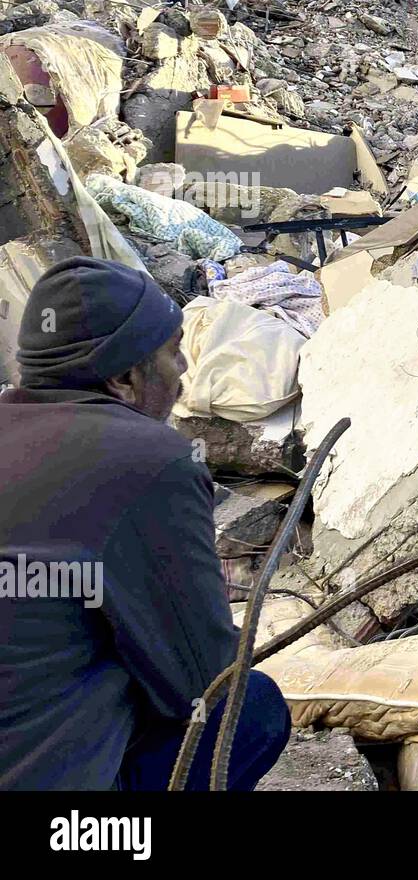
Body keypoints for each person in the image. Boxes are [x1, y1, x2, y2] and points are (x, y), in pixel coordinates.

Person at [0, 257, 291, 790]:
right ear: (124, 378)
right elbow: (202, 683)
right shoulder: (149, 460)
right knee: (253, 709)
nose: (183, 368)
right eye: (171, 350)